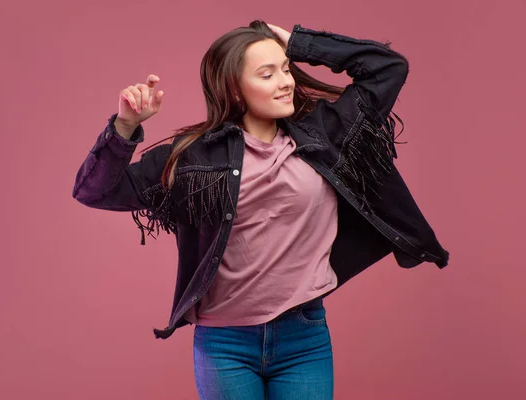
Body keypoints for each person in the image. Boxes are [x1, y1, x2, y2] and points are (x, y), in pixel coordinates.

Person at [72, 20, 449, 400]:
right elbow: (94, 191)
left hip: (304, 336)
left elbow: (388, 68)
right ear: (234, 91)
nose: (285, 81)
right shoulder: (193, 156)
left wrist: (300, 43)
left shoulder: (327, 132)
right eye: (267, 74)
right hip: (224, 344)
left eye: (285, 69)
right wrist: (124, 127)